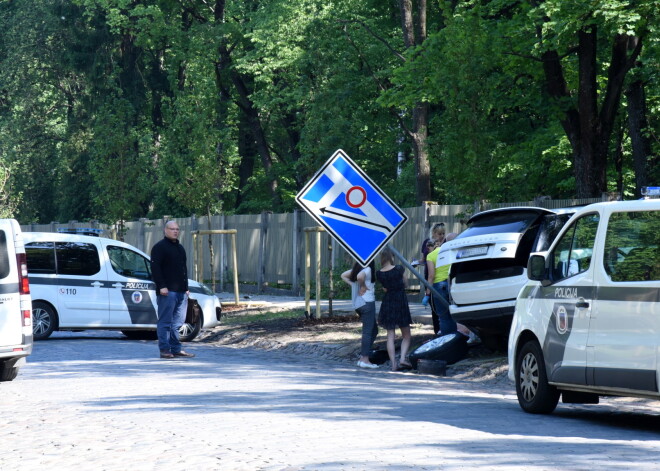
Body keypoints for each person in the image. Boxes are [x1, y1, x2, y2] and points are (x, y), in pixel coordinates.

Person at [150, 221, 195, 359]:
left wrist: (186, 288)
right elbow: (155, 269)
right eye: (172, 229)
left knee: (178, 323)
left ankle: (176, 349)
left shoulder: (180, 248)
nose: (175, 231)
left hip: (181, 292)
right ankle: (164, 349)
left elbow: (183, 269)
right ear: (165, 230)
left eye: (177, 229)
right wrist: (161, 286)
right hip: (167, 292)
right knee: (165, 322)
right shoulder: (159, 247)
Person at [376, 247, 413, 372]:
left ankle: (393, 364)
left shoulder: (379, 273)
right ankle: (403, 358)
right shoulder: (398, 269)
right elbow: (405, 283)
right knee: (406, 335)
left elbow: (385, 288)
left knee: (390, 335)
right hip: (400, 301)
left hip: (388, 302)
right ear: (392, 257)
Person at [341, 261, 378, 369]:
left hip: (359, 304)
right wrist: (362, 286)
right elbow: (360, 277)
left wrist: (354, 285)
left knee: (374, 330)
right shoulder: (368, 269)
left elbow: (343, 275)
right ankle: (365, 359)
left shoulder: (359, 268)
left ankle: (363, 356)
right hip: (367, 303)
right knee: (368, 331)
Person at [425, 232, 458, 336]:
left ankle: (446, 340)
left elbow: (431, 276)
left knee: (443, 316)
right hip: (451, 283)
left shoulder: (431, 256)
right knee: (453, 313)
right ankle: (455, 337)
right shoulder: (449, 252)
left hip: (438, 286)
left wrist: (427, 294)